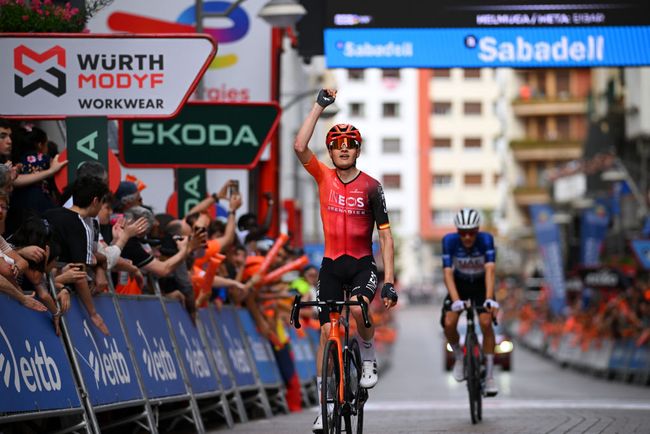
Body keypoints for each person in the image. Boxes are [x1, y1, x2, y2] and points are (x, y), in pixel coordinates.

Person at [294, 88, 398, 432]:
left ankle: (367, 353)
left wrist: (390, 281)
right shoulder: (323, 176)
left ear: (357, 150)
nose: (343, 149)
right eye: (337, 145)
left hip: (362, 264)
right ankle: (325, 406)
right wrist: (318, 106)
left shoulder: (372, 186)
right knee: (326, 331)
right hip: (331, 264)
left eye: (349, 144)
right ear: (330, 150)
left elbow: (385, 235)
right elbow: (298, 147)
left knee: (356, 309)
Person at [441, 208, 499, 396]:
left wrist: (489, 298)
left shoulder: (486, 240)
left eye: (471, 232)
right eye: (463, 233)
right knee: (449, 323)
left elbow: (490, 271)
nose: (467, 237)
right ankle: (459, 356)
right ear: (457, 231)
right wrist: (456, 300)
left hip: (482, 287)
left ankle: (489, 375)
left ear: (478, 230)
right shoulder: (449, 241)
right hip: (460, 286)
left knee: (486, 322)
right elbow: (447, 273)